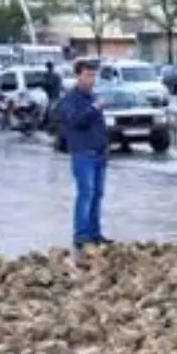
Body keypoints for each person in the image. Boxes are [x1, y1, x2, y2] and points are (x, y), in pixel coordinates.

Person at [57, 59, 111, 248]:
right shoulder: (70, 100)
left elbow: (100, 126)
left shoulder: (93, 97)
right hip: (82, 153)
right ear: (78, 75)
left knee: (97, 194)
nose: (91, 79)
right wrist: (94, 108)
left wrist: (105, 146)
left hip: (99, 153)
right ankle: (81, 235)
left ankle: (95, 233)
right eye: (88, 75)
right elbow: (75, 122)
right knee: (86, 193)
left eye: (94, 75)